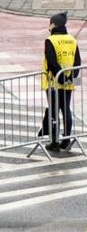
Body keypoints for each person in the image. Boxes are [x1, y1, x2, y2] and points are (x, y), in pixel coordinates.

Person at [41, 12, 78, 151]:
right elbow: (77, 61)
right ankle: (66, 139)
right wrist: (69, 77)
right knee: (66, 109)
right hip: (68, 82)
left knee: (54, 111)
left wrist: (60, 78)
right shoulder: (73, 40)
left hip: (53, 82)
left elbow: (51, 63)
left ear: (53, 25)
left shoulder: (50, 40)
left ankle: (55, 141)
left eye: (49, 24)